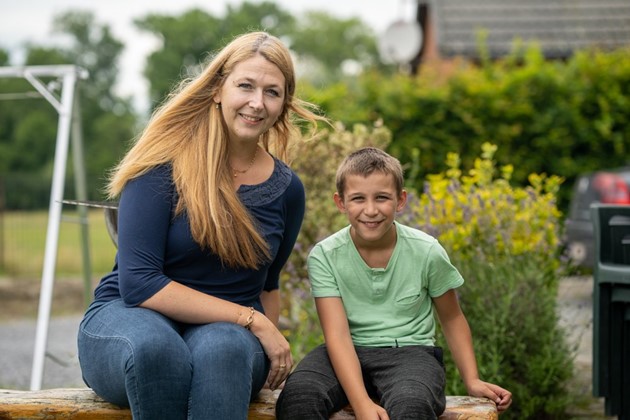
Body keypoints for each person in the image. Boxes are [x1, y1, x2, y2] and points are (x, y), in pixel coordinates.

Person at [77, 31, 326, 420]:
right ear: (217, 90)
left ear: (284, 104)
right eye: (245, 85)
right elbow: (140, 283)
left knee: (224, 350)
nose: (256, 103)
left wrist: (264, 340)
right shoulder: (162, 167)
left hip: (227, 339)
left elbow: (268, 283)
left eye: (272, 92)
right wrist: (252, 319)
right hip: (129, 320)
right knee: (158, 350)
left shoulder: (287, 189)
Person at [276, 147, 512, 419]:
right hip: (343, 350)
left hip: (410, 354)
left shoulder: (427, 251)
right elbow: (337, 336)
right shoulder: (325, 256)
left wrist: (472, 379)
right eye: (358, 199)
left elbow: (452, 317)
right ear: (341, 203)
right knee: (299, 397)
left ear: (400, 200)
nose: (371, 210)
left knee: (412, 404)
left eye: (382, 198)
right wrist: (362, 403)